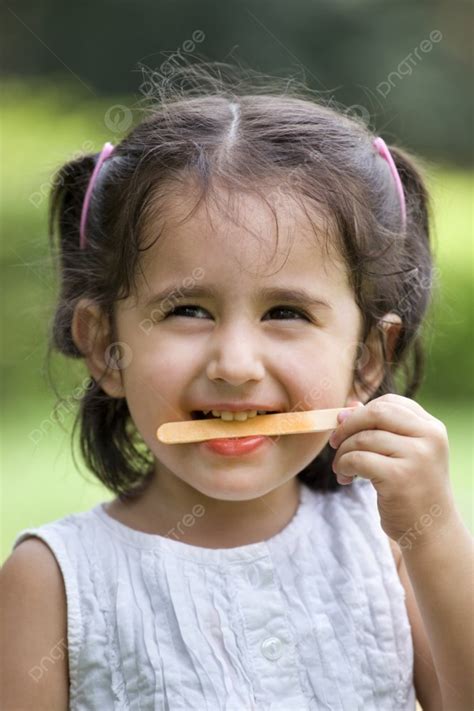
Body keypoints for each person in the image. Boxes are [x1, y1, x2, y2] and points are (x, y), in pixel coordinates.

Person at [1, 63, 472, 711]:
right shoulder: (50, 581)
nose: (236, 363)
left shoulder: (385, 546)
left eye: (286, 313)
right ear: (104, 346)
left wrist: (434, 526)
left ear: (367, 359)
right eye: (187, 310)